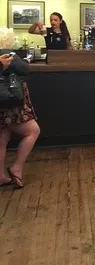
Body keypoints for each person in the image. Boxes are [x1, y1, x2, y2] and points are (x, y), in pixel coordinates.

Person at [0, 51, 40, 188]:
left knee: (2, 138)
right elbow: (24, 69)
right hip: (9, 101)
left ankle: (1, 176)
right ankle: (16, 168)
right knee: (33, 131)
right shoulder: (5, 53)